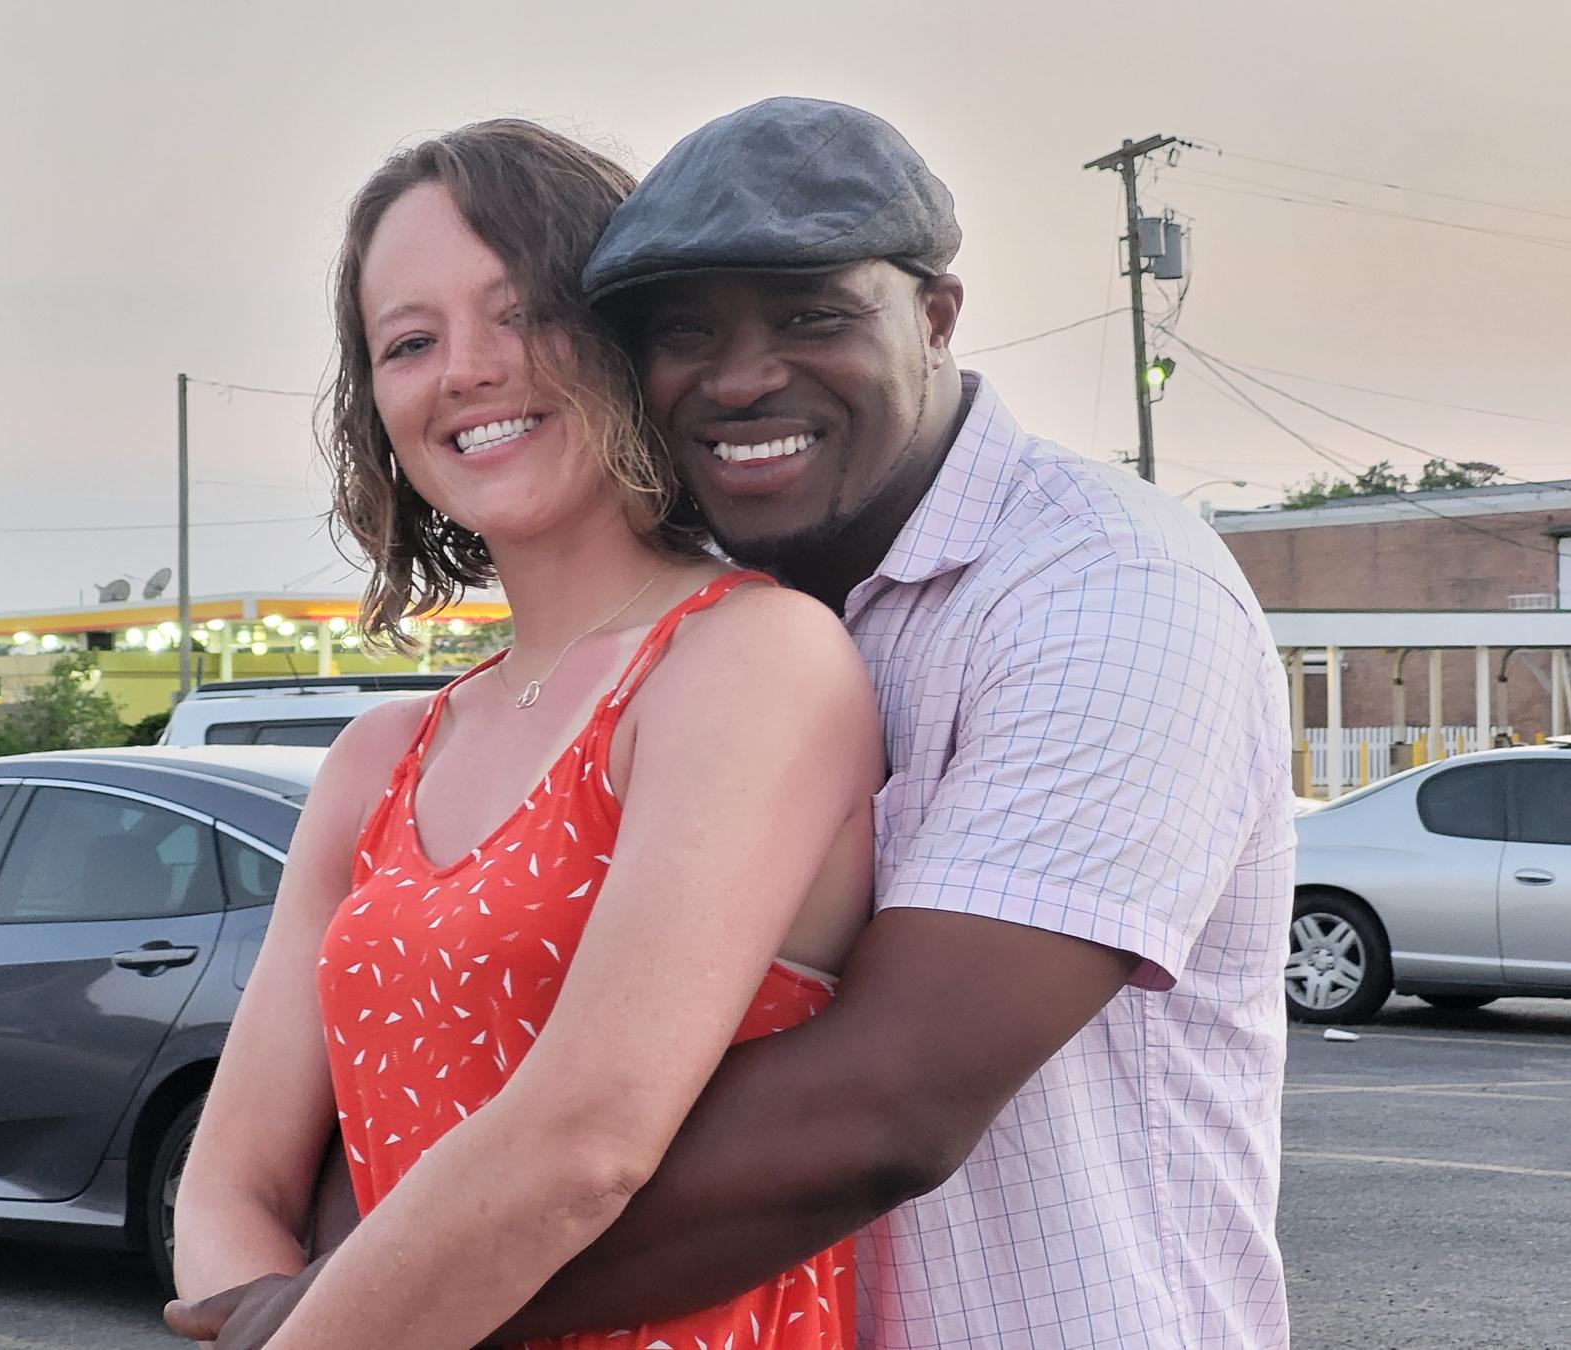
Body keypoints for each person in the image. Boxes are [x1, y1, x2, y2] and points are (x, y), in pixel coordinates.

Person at [170, 98, 1295, 1350]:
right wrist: (354, 1279)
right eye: (688, 330)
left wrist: (354, 1314)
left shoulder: (1102, 590)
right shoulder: (775, 589)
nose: (745, 376)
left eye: (813, 315)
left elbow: (883, 1105)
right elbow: (305, 1144)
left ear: (936, 316)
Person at [166, 119, 882, 1350]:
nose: (468, 370)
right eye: (409, 342)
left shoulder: (750, 660)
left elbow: (586, 1144)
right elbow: (231, 1184)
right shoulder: (378, 757)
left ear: (625, 333)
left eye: (526, 314)